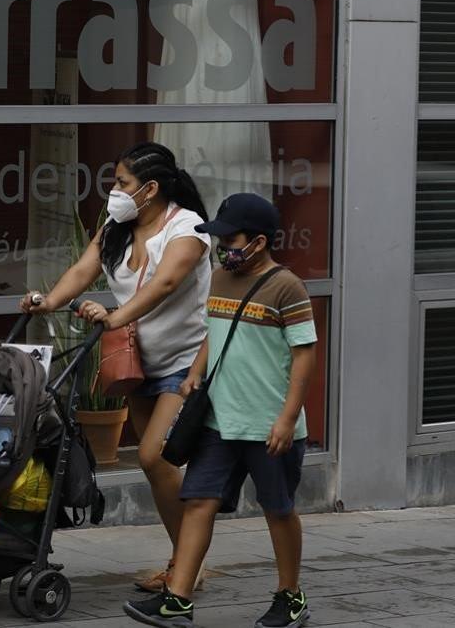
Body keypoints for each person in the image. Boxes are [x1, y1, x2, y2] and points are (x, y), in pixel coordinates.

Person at [20, 142, 211, 591]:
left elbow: (165, 282)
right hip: (137, 363)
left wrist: (116, 316)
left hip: (185, 363)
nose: (114, 191)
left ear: (150, 189)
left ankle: (187, 566)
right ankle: (184, 561)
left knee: (153, 455)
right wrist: (48, 302)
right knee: (154, 466)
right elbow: (84, 269)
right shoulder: (116, 226)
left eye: (122, 183)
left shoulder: (189, 228)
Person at [123, 193, 317, 628]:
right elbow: (215, 334)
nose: (223, 247)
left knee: (278, 509)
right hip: (218, 421)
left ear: (260, 242)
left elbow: (304, 355)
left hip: (267, 425)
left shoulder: (287, 286)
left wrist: (288, 418)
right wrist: (195, 372)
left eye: (231, 239)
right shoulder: (218, 278)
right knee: (197, 502)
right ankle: (178, 599)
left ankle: (290, 596)